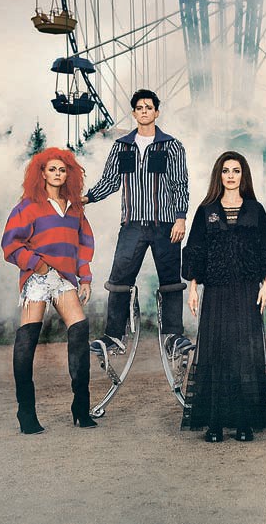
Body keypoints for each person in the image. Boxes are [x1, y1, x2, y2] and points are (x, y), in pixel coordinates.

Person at [181, 151, 266, 443]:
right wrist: (193, 288)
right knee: (216, 352)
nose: (231, 175)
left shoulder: (255, 209)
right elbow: (196, 250)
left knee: (244, 354)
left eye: (236, 170)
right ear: (219, 175)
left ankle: (244, 422)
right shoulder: (206, 211)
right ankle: (214, 423)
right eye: (226, 170)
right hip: (216, 291)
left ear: (243, 175)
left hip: (247, 290)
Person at [83, 89, 192, 360]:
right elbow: (110, 181)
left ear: (156, 112)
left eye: (149, 107)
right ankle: (114, 336)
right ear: (134, 113)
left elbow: (179, 184)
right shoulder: (122, 146)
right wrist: (86, 198)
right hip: (132, 224)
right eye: (139, 108)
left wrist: (180, 217)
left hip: (165, 223)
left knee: (171, 281)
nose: (144, 111)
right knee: (119, 279)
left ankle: (173, 336)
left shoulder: (172, 146)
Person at [2, 148, 97, 433]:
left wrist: (85, 278)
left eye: (62, 170)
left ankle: (81, 407)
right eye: (52, 169)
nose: (57, 174)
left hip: (64, 278)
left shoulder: (74, 208)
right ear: (41, 173)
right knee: (28, 337)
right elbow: (11, 244)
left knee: (79, 330)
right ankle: (26, 412)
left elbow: (83, 245)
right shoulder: (28, 206)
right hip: (38, 276)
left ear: (69, 175)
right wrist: (37, 265)